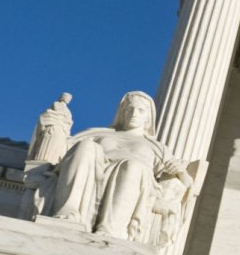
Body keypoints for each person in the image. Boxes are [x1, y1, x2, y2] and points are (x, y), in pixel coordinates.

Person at [48, 91, 192, 244]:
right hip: (93, 171)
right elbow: (62, 148)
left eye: (141, 110)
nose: (134, 113)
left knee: (133, 166)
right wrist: (54, 124)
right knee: (86, 146)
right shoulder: (97, 134)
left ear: (148, 117)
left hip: (135, 178)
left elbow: (187, 184)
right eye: (130, 109)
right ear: (122, 112)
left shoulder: (158, 148)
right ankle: (68, 214)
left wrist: (180, 171)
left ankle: (111, 232)